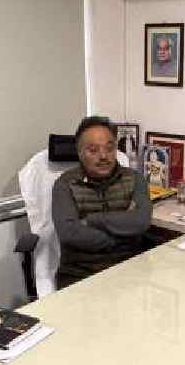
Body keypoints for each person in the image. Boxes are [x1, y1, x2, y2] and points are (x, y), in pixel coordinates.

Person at [52, 116, 152, 289]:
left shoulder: (135, 179)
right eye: (93, 150)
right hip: (80, 275)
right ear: (80, 153)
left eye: (109, 148)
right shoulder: (65, 184)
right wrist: (123, 233)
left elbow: (141, 221)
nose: (104, 156)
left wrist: (91, 220)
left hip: (129, 270)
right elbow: (69, 233)